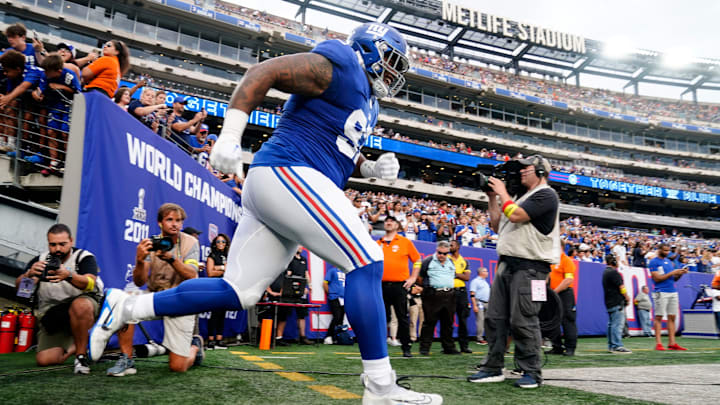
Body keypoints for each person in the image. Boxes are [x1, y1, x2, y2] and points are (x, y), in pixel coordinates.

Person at [90, 22, 441, 403]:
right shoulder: (341, 61)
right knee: (367, 260)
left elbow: (339, 149)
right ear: (370, 49)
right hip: (287, 172)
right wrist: (230, 135)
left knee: (239, 290)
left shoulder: (366, 100)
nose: (393, 74)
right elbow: (265, 71)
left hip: (286, 184)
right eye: (391, 61)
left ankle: (126, 306)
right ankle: (380, 386)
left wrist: (369, 169)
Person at [468, 154, 560, 389]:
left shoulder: (546, 195)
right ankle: (492, 366)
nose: (520, 173)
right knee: (495, 318)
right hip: (508, 263)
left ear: (540, 171)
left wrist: (502, 192)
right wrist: (492, 199)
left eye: (525, 168)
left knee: (523, 319)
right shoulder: (520, 197)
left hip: (531, 267)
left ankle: (531, 371)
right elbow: (498, 225)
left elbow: (516, 215)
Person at [106, 203, 204, 376]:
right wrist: (139, 260)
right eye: (170, 220)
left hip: (180, 300)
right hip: (156, 296)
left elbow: (191, 275)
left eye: (179, 221)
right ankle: (126, 359)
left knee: (177, 367)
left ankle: (195, 347)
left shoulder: (191, 243)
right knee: (125, 301)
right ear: (160, 223)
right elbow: (139, 281)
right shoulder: (152, 242)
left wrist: (172, 259)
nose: (175, 224)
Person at [14, 224, 103, 374]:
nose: (57, 249)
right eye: (53, 244)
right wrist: (28, 275)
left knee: (80, 305)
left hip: (84, 307)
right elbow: (22, 292)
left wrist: (68, 275)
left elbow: (90, 283)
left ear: (71, 241)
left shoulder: (83, 257)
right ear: (48, 243)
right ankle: (75, 345)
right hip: (55, 314)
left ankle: (81, 357)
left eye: (62, 244)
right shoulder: (40, 261)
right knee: (45, 360)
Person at [377, 216, 421, 358]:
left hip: (399, 285)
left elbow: (417, 260)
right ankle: (379, 347)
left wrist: (413, 277)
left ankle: (406, 347)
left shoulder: (404, 242)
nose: (388, 223)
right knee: (380, 317)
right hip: (381, 285)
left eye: (392, 221)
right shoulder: (378, 243)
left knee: (402, 317)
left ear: (397, 225)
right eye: (386, 221)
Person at [417, 241, 459, 356]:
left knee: (448, 322)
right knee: (429, 322)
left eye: (445, 253)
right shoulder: (428, 261)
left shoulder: (451, 262)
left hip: (449, 294)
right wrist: (425, 289)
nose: (442, 256)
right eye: (440, 253)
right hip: (433, 295)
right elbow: (420, 277)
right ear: (436, 251)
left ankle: (448, 348)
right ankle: (424, 348)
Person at [648, 243, 688, 351]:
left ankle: (672, 343)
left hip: (672, 291)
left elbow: (673, 279)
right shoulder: (653, 262)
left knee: (672, 318)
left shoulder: (669, 262)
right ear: (659, 249)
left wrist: (680, 274)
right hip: (660, 292)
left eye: (668, 250)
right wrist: (672, 273)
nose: (666, 252)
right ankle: (659, 344)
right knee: (659, 317)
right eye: (665, 250)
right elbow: (657, 278)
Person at [275, 248, 313, 345]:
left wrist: (309, 285)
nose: (299, 247)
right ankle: (279, 338)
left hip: (301, 291)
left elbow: (306, 273)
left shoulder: (304, 259)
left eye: (300, 245)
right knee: (284, 313)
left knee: (302, 313)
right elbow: (287, 275)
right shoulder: (289, 258)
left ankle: (303, 337)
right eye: (297, 245)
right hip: (289, 290)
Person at [547, 247, 577, 356]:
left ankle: (570, 348)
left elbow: (568, 280)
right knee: (552, 321)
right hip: (553, 294)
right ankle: (557, 346)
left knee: (568, 320)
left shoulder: (566, 260)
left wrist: (554, 292)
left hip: (565, 294)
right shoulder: (551, 261)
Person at [602, 255, 632, 354]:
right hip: (616, 301)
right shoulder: (614, 273)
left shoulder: (605, 272)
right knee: (617, 325)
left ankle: (611, 345)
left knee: (611, 325)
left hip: (609, 302)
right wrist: (627, 297)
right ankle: (617, 346)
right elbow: (621, 287)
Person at [206, 234, 230, 350]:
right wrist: (223, 268)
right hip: (214, 287)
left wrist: (217, 268)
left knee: (222, 314)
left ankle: (219, 340)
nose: (221, 243)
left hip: (225, 287)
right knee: (214, 314)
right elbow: (210, 273)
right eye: (218, 241)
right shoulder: (212, 256)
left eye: (223, 241)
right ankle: (210, 340)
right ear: (215, 243)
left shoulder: (229, 256)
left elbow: (231, 271)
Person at [448, 240, 472, 353]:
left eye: (451, 245)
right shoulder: (447, 259)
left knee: (463, 320)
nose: (449, 246)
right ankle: (449, 346)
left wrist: (455, 274)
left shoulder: (464, 261)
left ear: (457, 246)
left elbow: (467, 277)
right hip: (449, 291)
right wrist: (460, 274)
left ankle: (464, 346)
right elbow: (447, 274)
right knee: (448, 320)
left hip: (461, 292)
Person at [323, 265, 346, 345]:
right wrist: (331, 293)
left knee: (341, 318)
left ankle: (338, 337)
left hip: (344, 298)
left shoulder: (346, 272)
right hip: (335, 297)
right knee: (337, 316)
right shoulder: (333, 271)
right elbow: (325, 283)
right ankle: (328, 336)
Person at [469, 267, 490, 345]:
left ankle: (488, 337)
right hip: (479, 303)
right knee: (480, 321)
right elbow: (472, 294)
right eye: (485, 271)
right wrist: (475, 305)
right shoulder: (475, 281)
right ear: (481, 272)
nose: (487, 272)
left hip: (487, 303)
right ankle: (479, 338)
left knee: (487, 321)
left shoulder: (485, 282)